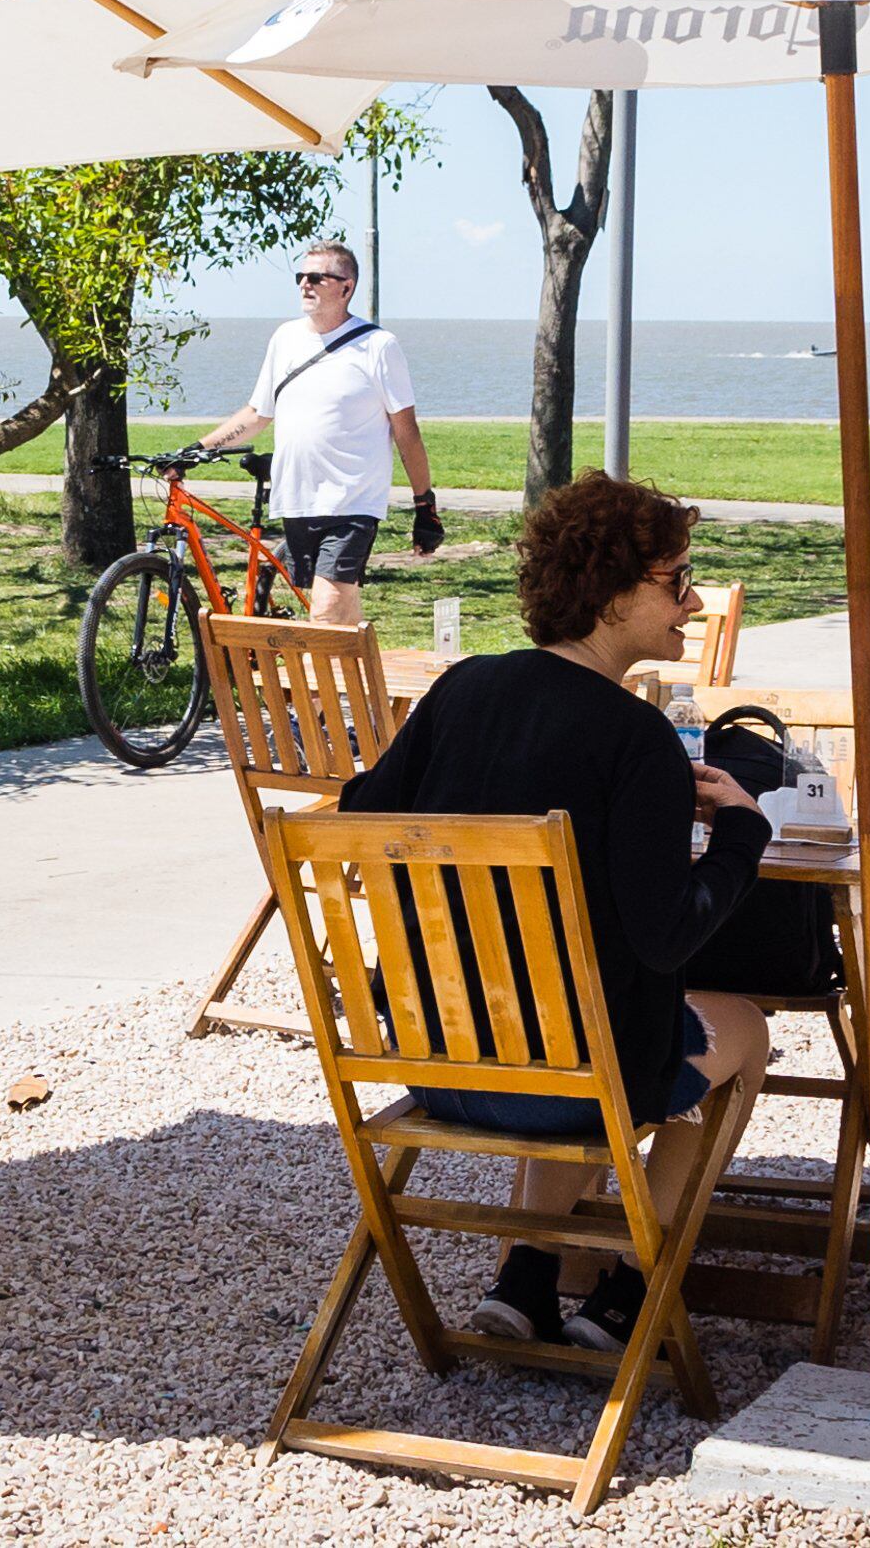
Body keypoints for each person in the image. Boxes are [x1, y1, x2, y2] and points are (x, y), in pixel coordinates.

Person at [339, 471, 772, 1351]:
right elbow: (666, 934)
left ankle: (528, 1274)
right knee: (745, 1029)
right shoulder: (634, 738)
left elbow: (357, 815)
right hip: (573, 1084)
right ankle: (631, 1285)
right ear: (613, 593)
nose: (691, 604)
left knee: (560, 1006)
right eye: (675, 580)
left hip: (438, 1062)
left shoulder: (460, 692)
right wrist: (740, 835)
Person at [194, 239, 437, 627]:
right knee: (340, 613)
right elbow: (258, 413)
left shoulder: (379, 346)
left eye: (317, 277)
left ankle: (321, 688)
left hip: (352, 503)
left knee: (324, 613)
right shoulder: (285, 339)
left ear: (346, 287)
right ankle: (357, 685)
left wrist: (425, 505)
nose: (305, 284)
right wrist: (197, 449)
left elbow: (406, 432)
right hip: (297, 500)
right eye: (301, 276)